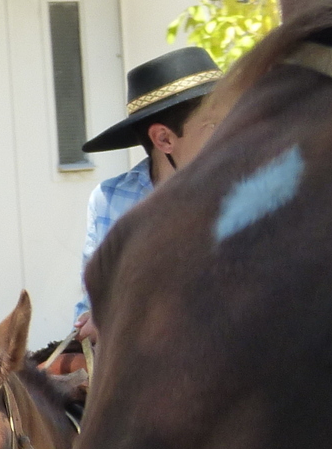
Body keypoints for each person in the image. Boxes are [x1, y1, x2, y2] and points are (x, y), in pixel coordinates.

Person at [75, 48, 222, 325]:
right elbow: (90, 308)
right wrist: (95, 320)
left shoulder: (250, 194)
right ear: (164, 139)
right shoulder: (111, 200)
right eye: (214, 125)